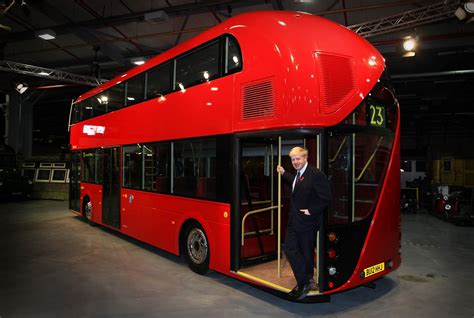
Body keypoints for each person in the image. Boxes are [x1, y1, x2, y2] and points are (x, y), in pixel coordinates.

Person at [276, 146, 331, 300]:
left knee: (307, 252)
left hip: (307, 221)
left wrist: (311, 211)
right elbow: (295, 182)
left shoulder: (316, 174)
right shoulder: (298, 174)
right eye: (293, 159)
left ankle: (306, 282)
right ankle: (304, 280)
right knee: (290, 248)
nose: (295, 162)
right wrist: (283, 173)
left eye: (298, 158)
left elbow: (326, 197)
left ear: (305, 158)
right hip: (294, 220)